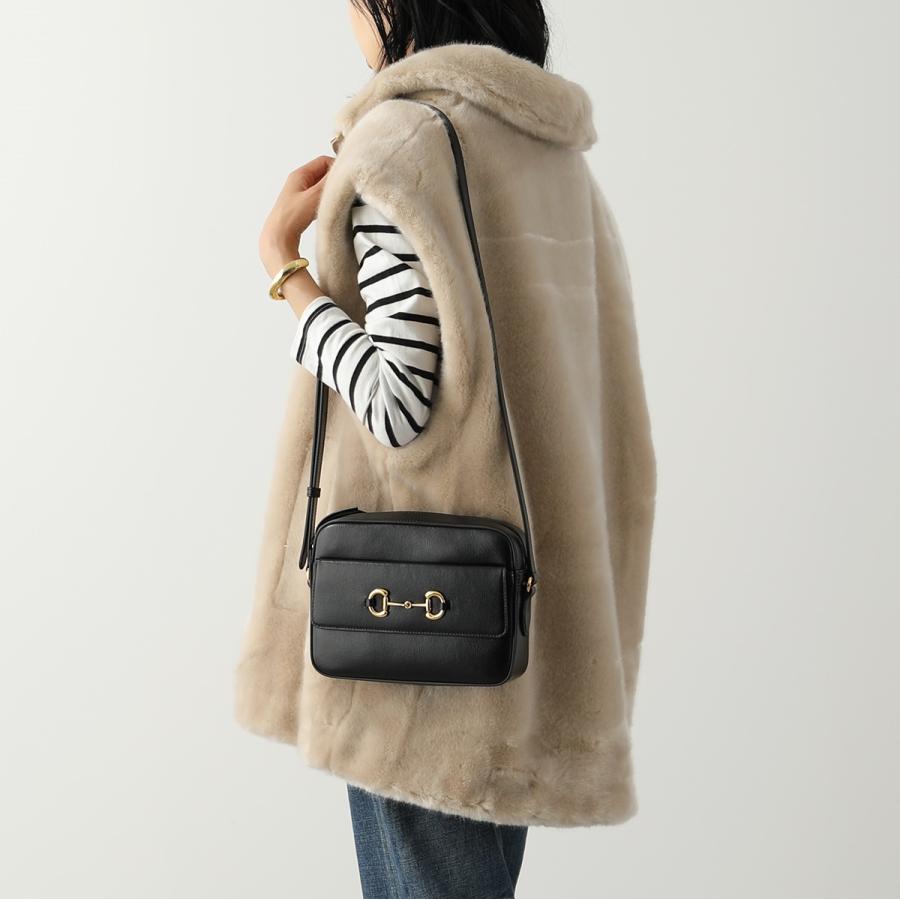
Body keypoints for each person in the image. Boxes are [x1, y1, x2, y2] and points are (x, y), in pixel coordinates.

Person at [237, 1, 657, 897]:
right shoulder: (550, 158)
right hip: (517, 624)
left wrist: (285, 269)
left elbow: (399, 404)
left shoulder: (403, 145)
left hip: (417, 636)